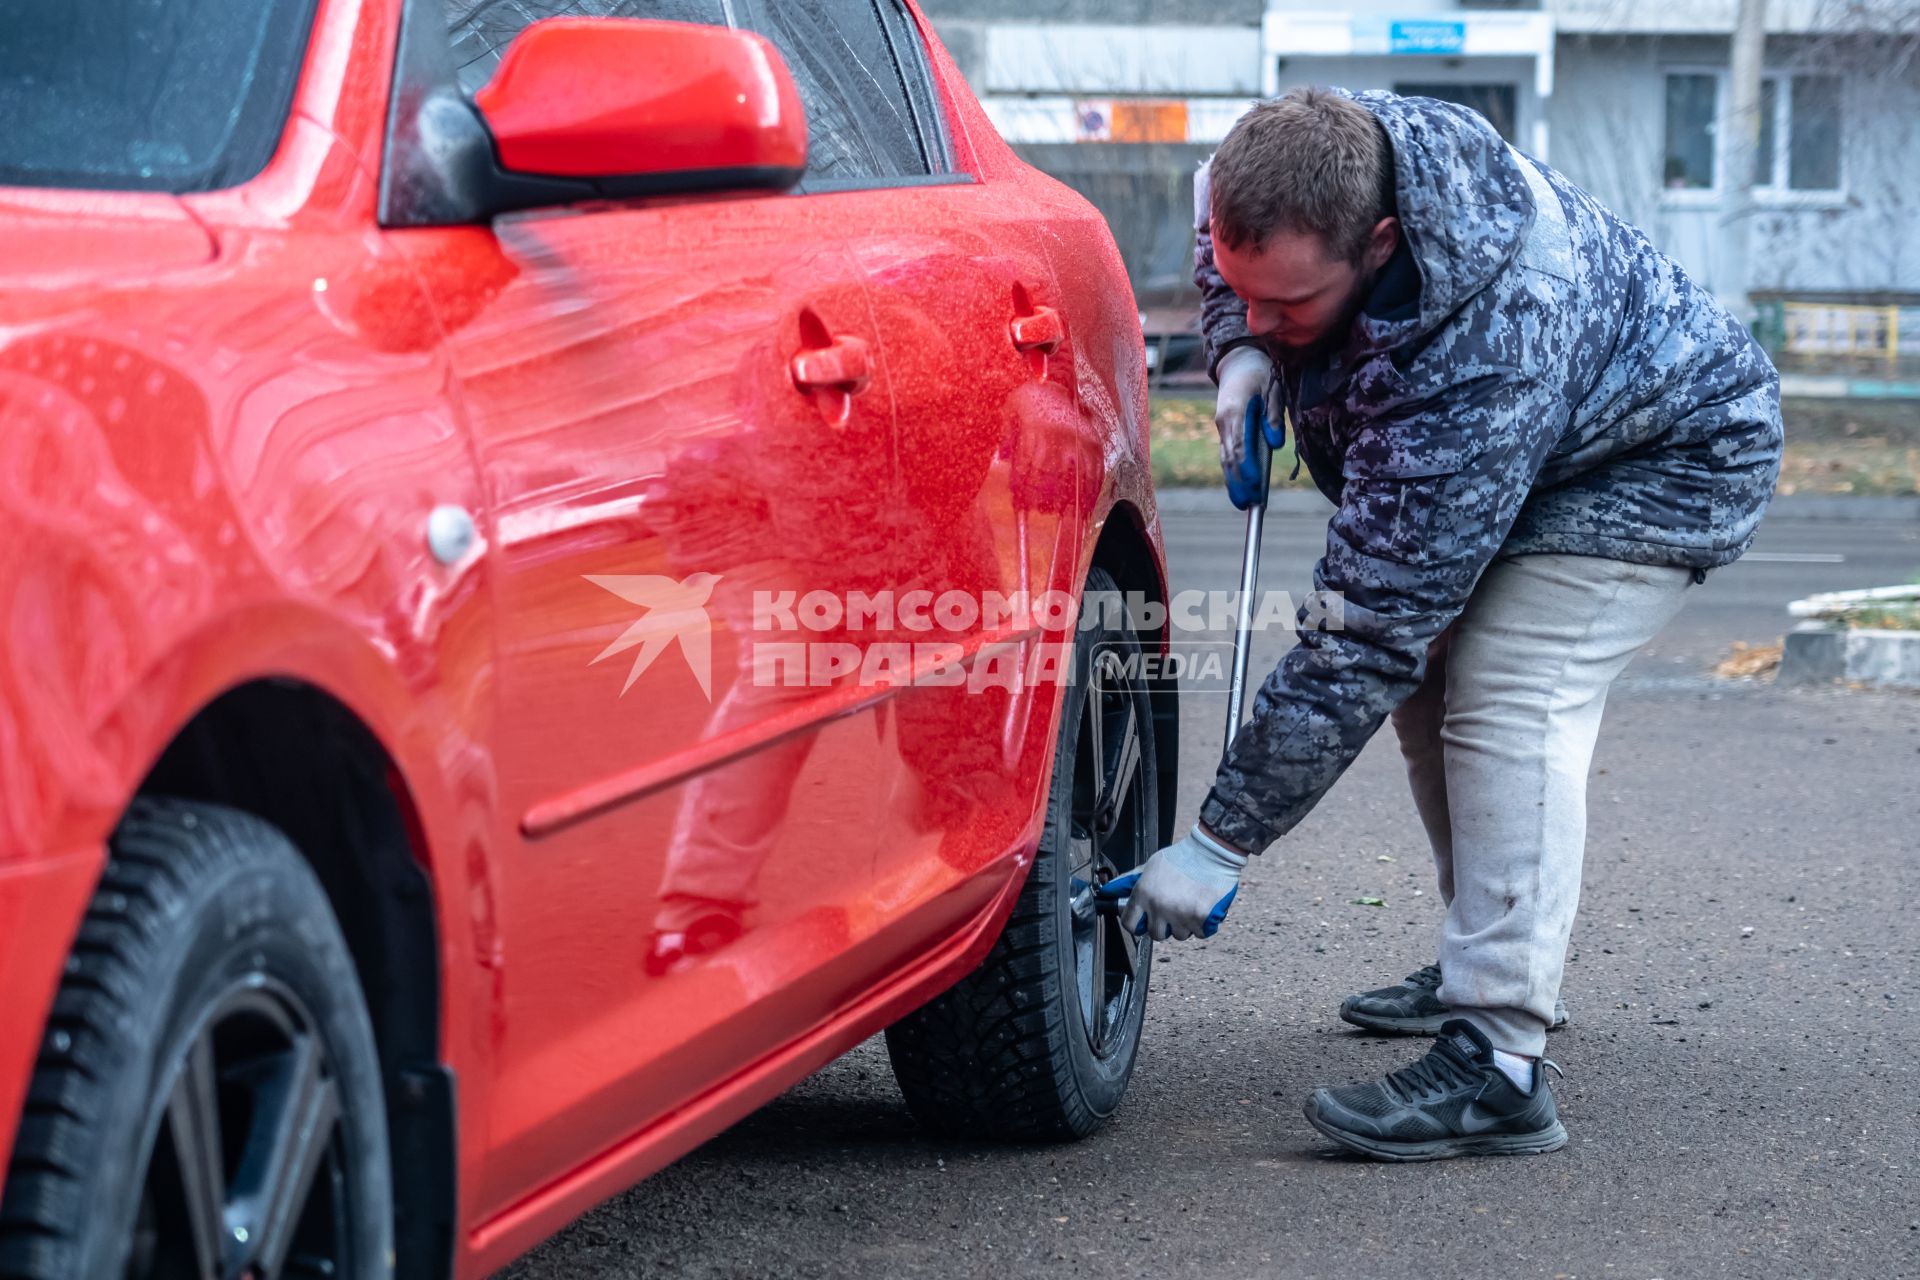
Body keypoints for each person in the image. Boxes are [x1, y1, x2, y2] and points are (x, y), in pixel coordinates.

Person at [1109, 87, 1782, 1161]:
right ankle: (1487, 950)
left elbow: (1361, 631)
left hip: (1660, 462)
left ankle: (1502, 1058)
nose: (1272, 321)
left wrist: (1219, 839)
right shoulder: (1286, 163)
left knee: (1505, 692)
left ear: (1378, 243)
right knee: (1426, 680)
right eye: (1250, 294)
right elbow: (1214, 225)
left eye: (1293, 304)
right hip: (1550, 441)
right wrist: (1239, 343)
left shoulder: (1485, 348)